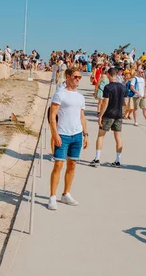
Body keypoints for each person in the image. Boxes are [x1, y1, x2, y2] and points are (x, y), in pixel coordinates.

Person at [48, 67, 88, 211]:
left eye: (79, 77)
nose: (78, 79)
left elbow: (82, 116)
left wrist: (85, 134)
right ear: (68, 76)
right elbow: (53, 115)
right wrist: (55, 134)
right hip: (63, 134)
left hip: (77, 135)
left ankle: (66, 194)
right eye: (76, 76)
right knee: (58, 165)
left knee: (72, 165)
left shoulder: (80, 97)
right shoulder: (60, 94)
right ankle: (52, 196)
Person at [91, 68, 125, 168]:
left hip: (109, 114)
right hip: (118, 114)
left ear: (110, 75)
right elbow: (125, 102)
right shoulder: (122, 87)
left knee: (101, 136)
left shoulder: (108, 87)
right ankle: (118, 160)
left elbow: (105, 102)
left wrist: (100, 115)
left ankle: (97, 159)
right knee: (118, 137)